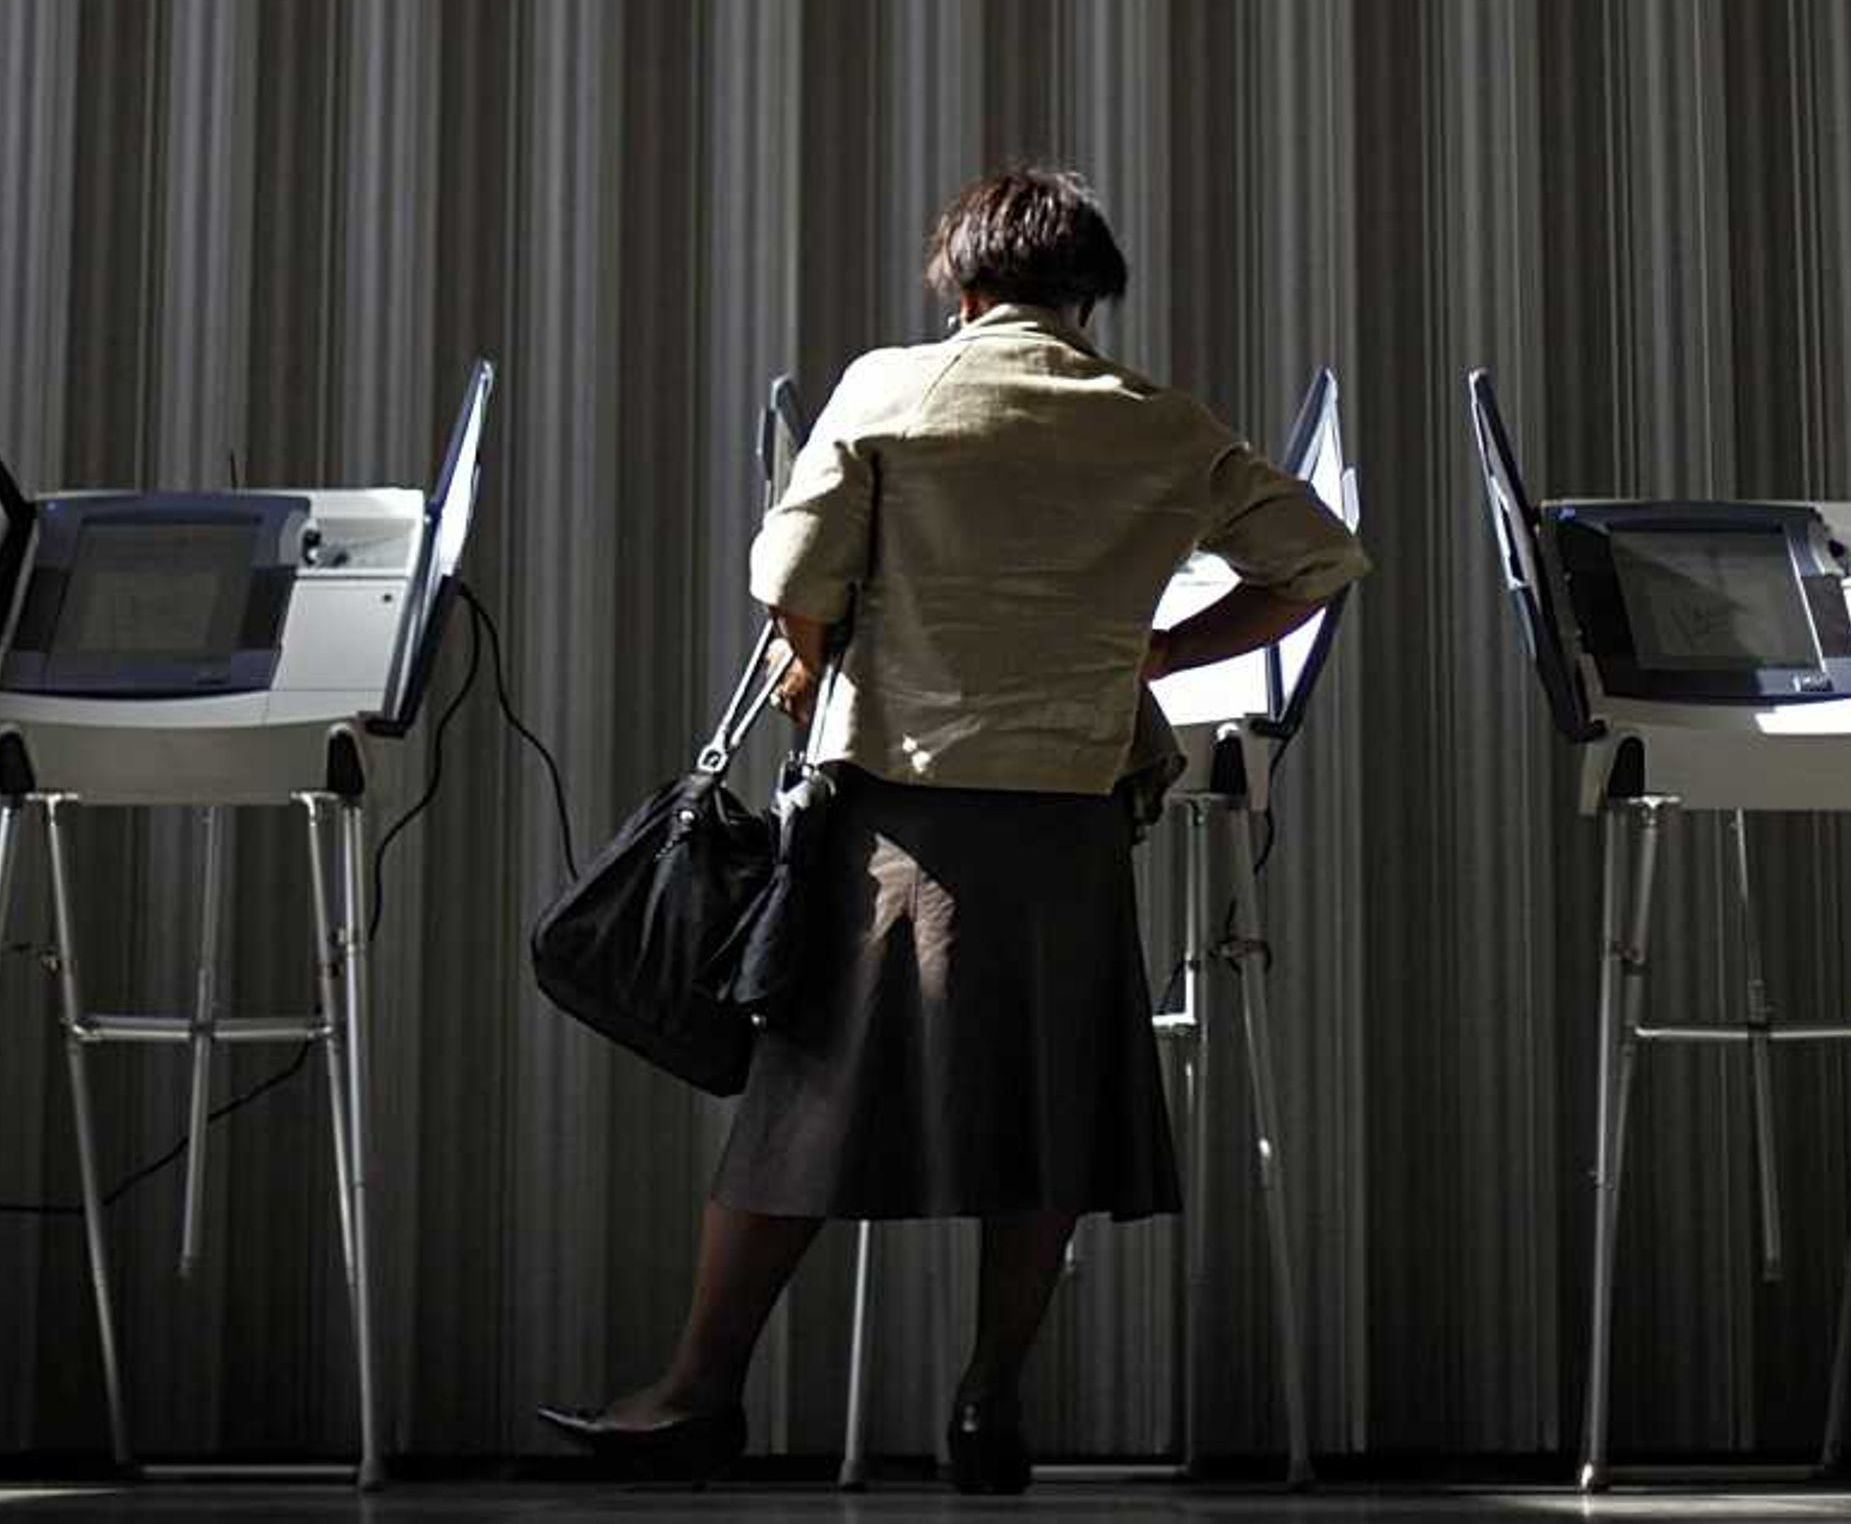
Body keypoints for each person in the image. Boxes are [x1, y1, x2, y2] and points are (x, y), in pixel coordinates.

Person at [539, 166, 1371, 1493]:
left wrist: (814, 668)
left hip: (899, 819)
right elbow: (1322, 562)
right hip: (1069, 821)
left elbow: (793, 581)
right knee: (1042, 1112)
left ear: (965, 283)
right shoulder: (1160, 422)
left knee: (800, 1105)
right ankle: (990, 1403)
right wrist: (1152, 649)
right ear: (1089, 296)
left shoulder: (890, 388)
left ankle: (697, 1388)